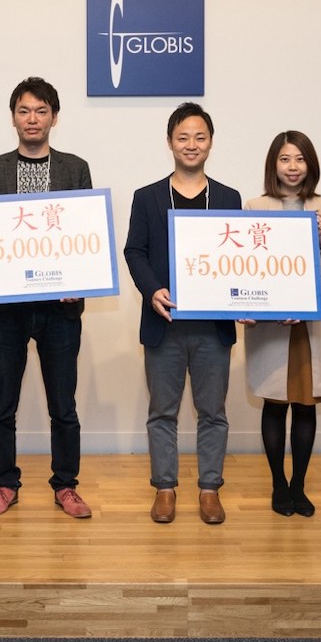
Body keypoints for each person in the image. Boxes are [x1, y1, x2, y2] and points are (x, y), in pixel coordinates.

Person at [0, 77, 94, 519]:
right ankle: (4, 484)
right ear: (13, 118)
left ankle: (66, 485)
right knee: (1, 403)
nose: (32, 119)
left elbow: (84, 236)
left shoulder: (74, 168)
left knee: (63, 403)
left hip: (60, 310)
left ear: (54, 118)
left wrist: (80, 279)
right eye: (24, 111)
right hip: (7, 310)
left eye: (41, 111)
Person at [124, 102, 241, 525]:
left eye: (200, 137)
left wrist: (241, 300)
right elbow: (134, 251)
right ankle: (166, 489)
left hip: (213, 327)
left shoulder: (228, 198)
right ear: (170, 142)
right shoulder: (147, 196)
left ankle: (210, 489)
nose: (191, 145)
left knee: (213, 412)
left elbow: (238, 259)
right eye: (183, 137)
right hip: (164, 323)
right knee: (163, 412)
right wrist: (153, 288)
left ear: (210, 142)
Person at [241, 131, 321, 518]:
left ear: (310, 164)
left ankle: (299, 485)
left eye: (300, 159)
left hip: (311, 322)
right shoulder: (254, 206)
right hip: (270, 322)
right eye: (285, 159)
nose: (292, 167)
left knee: (306, 405)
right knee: (274, 402)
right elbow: (246, 268)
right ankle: (277, 485)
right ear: (274, 164)